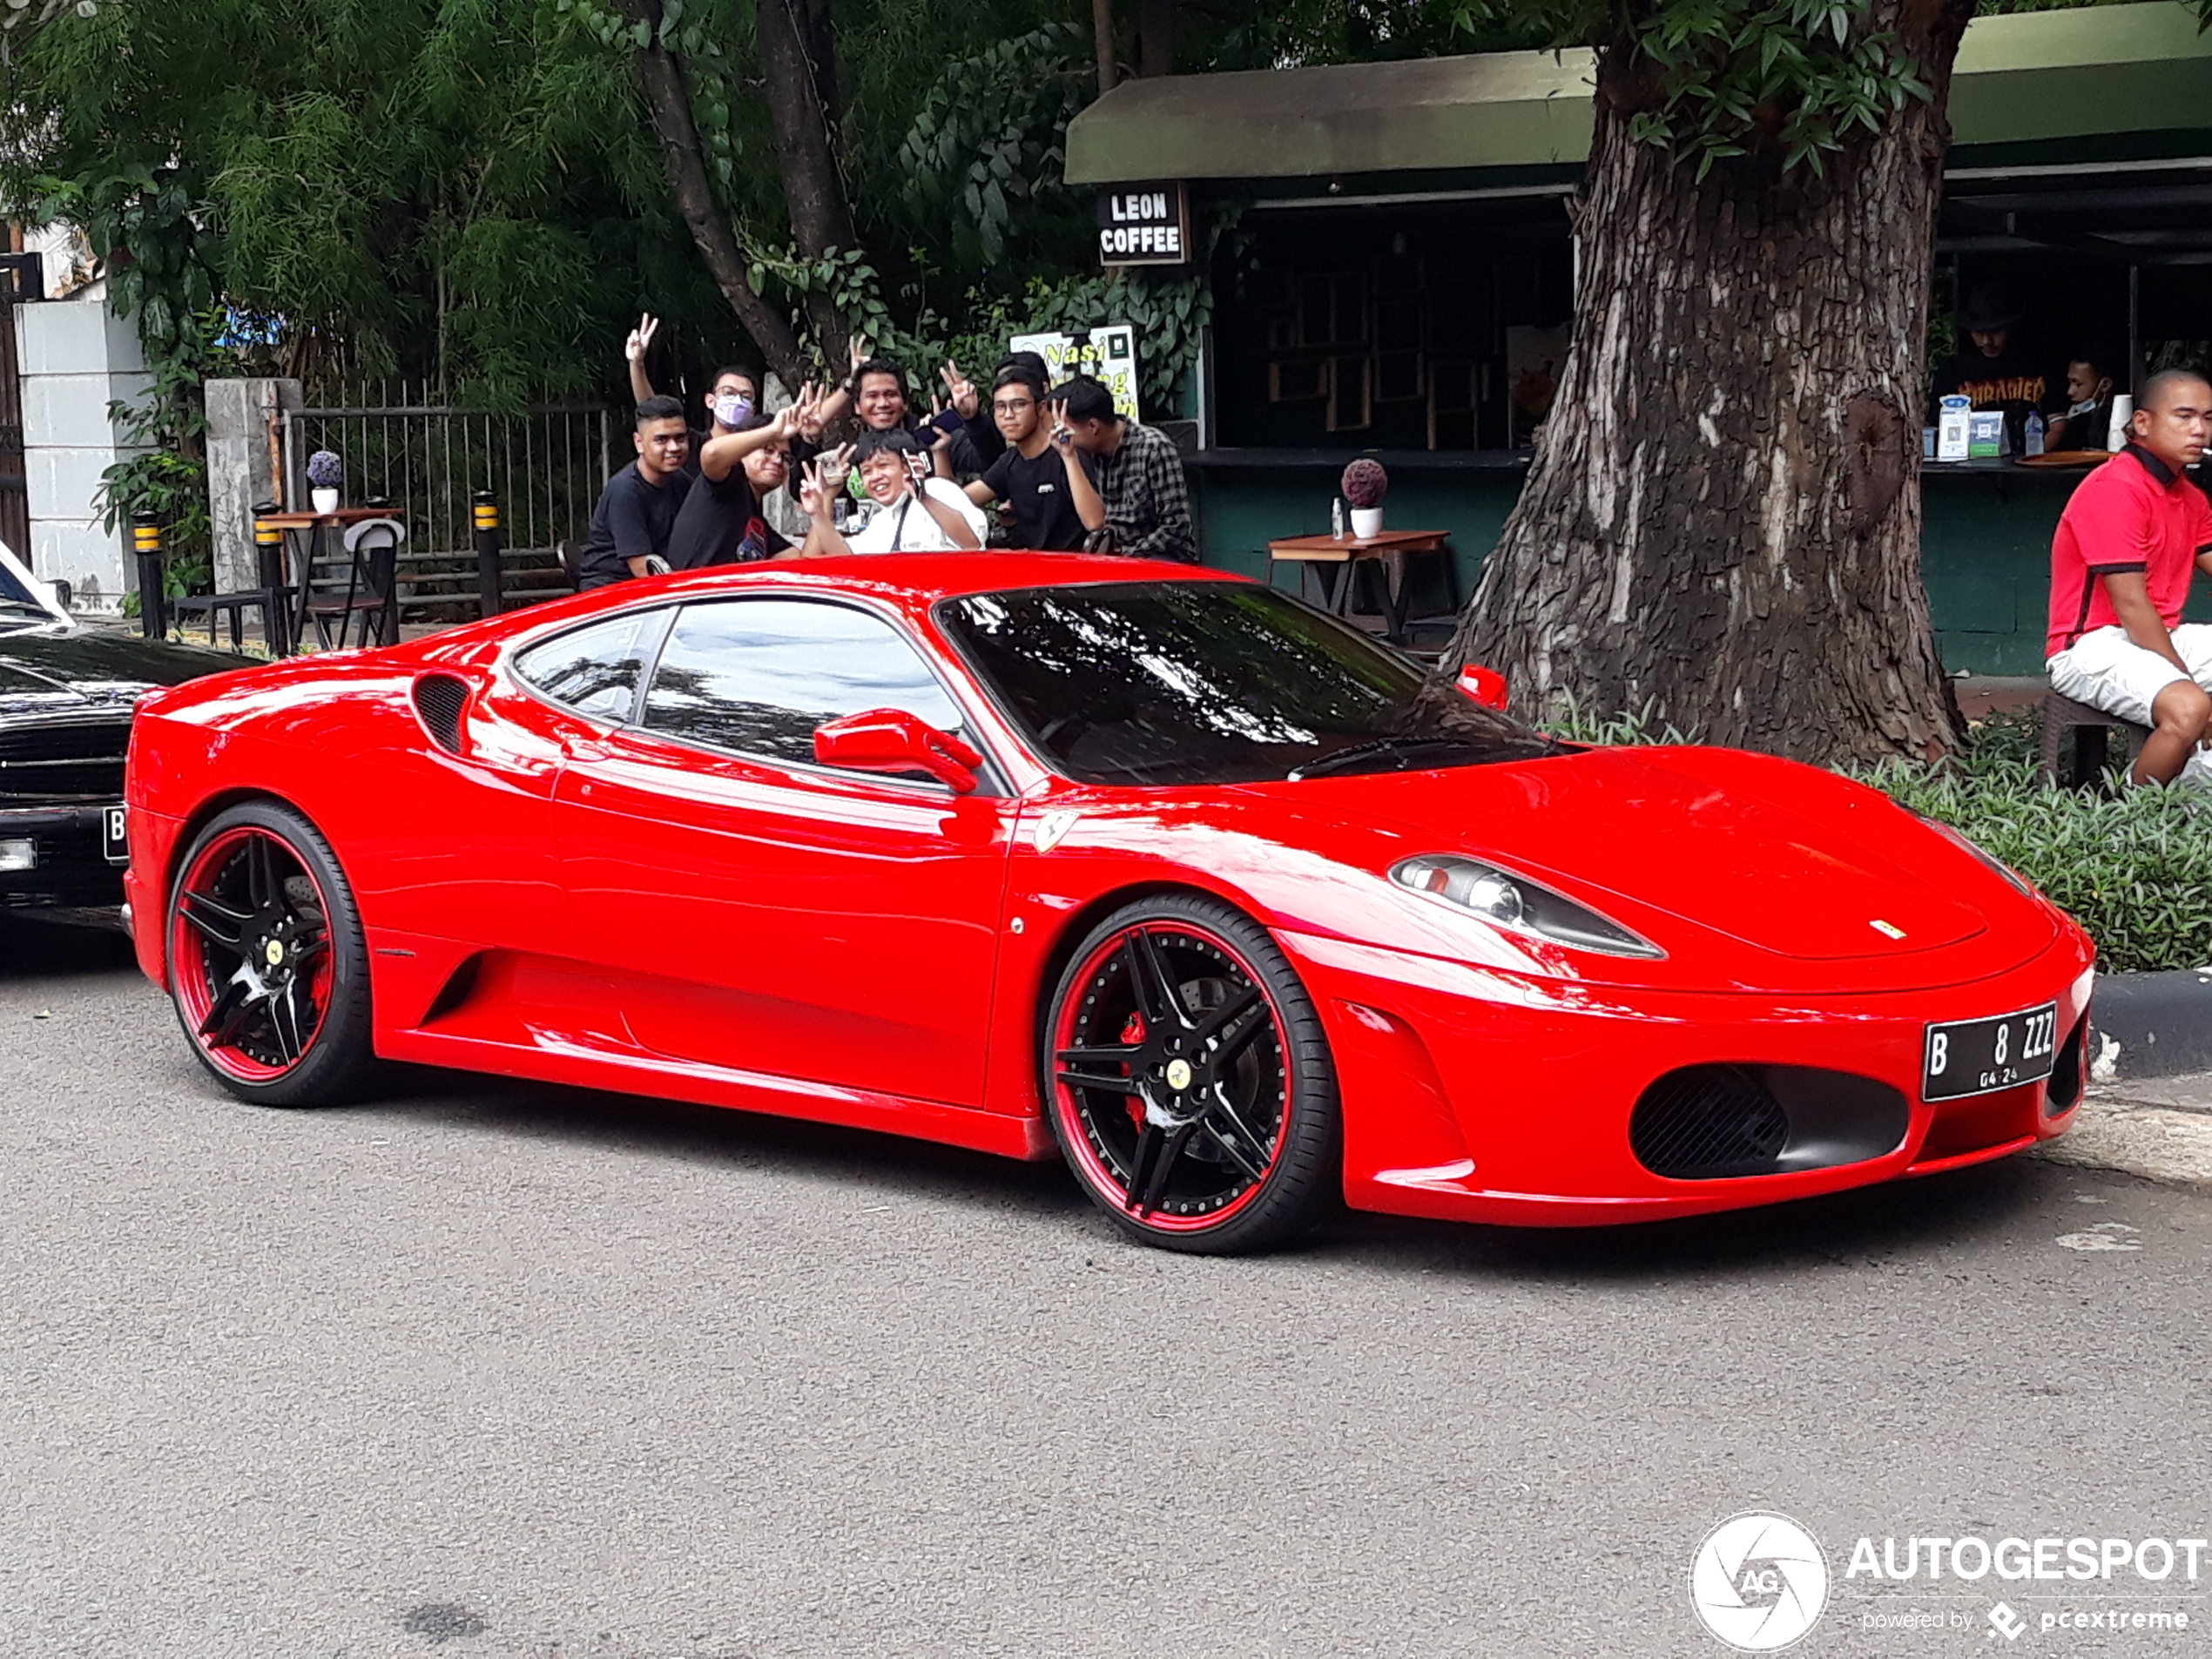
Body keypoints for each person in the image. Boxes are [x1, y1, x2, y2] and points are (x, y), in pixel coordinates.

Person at [2045, 368, 2212, 786]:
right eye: (2185, 416)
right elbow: (2133, 608)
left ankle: (2193, 798)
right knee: (2189, 707)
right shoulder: (2116, 487)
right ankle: (2133, 824)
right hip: (2088, 645)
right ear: (2143, 422)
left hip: (2158, 634)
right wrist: (2185, 681)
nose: (2200, 429)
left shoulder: (2190, 497)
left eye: (2208, 418)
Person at [665, 388, 821, 570]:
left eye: (785, 457)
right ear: (741, 454)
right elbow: (712, 452)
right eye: (768, 450)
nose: (778, 460)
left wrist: (824, 503)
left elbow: (801, 565)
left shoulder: (756, 520)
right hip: (694, 596)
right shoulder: (726, 485)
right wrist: (773, 431)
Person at [1054, 375, 1196, 563]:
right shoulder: (1088, 453)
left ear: (1093, 426)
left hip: (1160, 560)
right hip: (1114, 559)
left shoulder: (1153, 447)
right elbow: (1094, 522)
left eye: (1067, 430)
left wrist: (1127, 556)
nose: (1063, 436)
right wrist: (1068, 456)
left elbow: (1176, 527)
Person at [963, 366, 1105, 550]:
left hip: (1073, 570)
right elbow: (959, 500)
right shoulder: (1009, 461)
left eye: (1018, 404)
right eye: (1000, 407)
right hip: (1027, 568)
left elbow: (1095, 522)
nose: (1008, 415)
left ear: (1040, 408)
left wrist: (1069, 457)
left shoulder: (1068, 452)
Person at [803, 342, 999, 475]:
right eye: (872, 396)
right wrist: (808, 439)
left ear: (905, 402)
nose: (882, 404)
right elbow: (802, 488)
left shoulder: (932, 436)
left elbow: (992, 463)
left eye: (890, 394)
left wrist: (973, 419)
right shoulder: (852, 451)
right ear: (856, 406)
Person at [797, 428, 986, 556]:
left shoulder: (937, 488)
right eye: (867, 471)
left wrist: (924, 498)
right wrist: (818, 513)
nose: (876, 477)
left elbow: (973, 544)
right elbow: (848, 558)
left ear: (907, 465)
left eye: (883, 465)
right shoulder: (882, 520)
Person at [575, 395, 694, 590]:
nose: (673, 448)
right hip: (611, 591)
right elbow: (643, 571)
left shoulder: (680, 480)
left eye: (680, 438)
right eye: (661, 440)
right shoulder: (625, 491)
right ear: (638, 443)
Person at [623, 313, 762, 477]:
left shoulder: (758, 453)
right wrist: (637, 364)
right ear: (710, 400)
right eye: (728, 393)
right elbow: (653, 411)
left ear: (753, 410)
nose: (737, 400)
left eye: (745, 396)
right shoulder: (690, 444)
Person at [1931, 283, 2052, 451]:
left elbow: (2059, 422)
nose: (1986, 341)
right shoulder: (1953, 371)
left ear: (2009, 328)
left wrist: (2031, 459)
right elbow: (1936, 426)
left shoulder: (2036, 365)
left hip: (2030, 463)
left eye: (1995, 333)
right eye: (1979, 334)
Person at [2046, 353, 2118, 454]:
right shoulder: (2070, 423)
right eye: (2070, 382)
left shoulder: (2116, 421)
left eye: (2078, 384)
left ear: (2105, 385)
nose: (2070, 391)